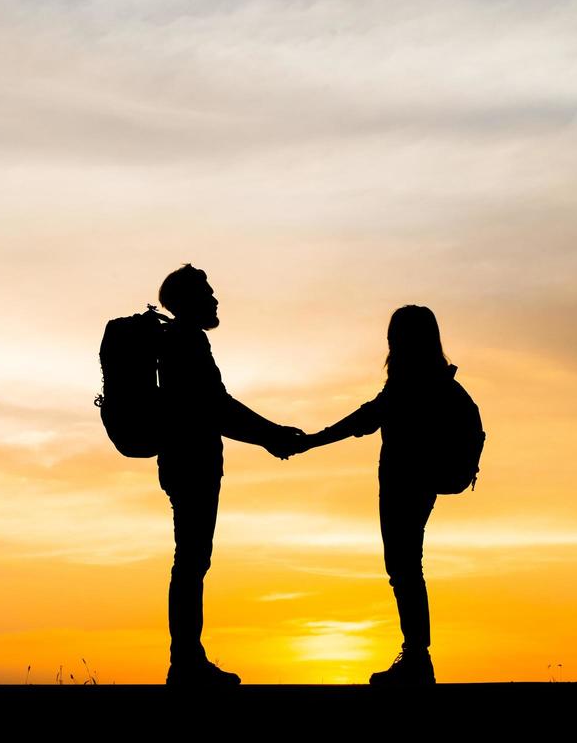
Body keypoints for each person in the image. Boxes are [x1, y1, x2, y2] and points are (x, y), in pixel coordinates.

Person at [287, 305, 457, 685]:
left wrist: (312, 441)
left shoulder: (409, 381)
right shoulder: (433, 378)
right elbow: (369, 416)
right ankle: (416, 655)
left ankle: (417, 658)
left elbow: (365, 418)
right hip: (420, 481)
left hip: (403, 482)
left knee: (404, 568)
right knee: (407, 566)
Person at [155, 264, 302, 687]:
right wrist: (271, 435)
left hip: (185, 461)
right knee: (191, 561)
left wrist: (269, 435)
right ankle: (185, 662)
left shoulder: (180, 341)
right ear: (187, 301)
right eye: (208, 293)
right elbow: (216, 407)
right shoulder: (186, 341)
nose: (216, 300)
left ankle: (187, 658)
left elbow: (217, 406)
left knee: (192, 559)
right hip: (191, 462)